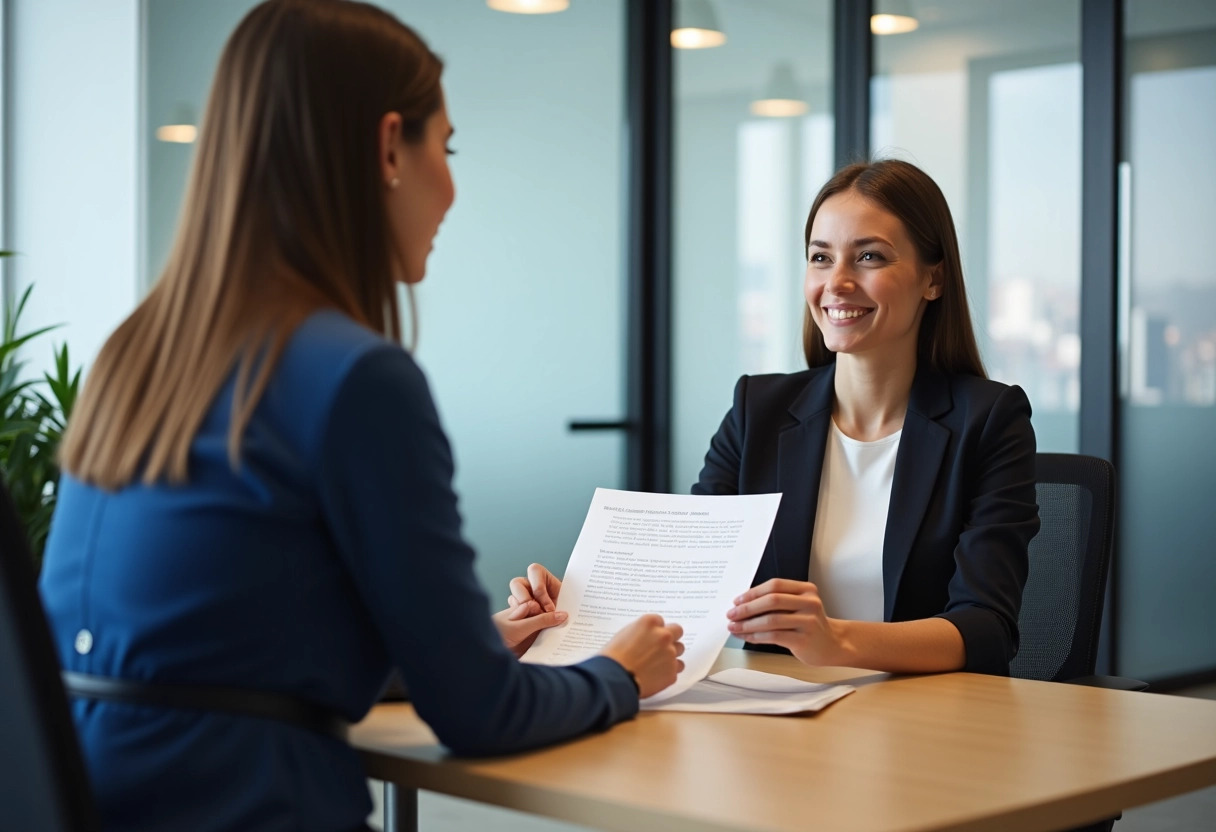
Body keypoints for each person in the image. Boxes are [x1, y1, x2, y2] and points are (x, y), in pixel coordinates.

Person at [37, 2, 683, 830]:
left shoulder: (135, 354)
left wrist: (459, 644)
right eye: (444, 148)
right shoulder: (355, 378)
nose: (450, 186)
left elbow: (214, 650)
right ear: (387, 147)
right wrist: (618, 673)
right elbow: (480, 716)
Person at [508, 159, 1039, 677]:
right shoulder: (756, 412)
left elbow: (986, 628)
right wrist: (575, 604)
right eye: (820, 257)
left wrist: (835, 639)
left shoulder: (989, 421)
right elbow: (689, 584)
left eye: (870, 257)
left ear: (934, 279)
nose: (838, 283)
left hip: (926, 723)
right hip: (783, 714)